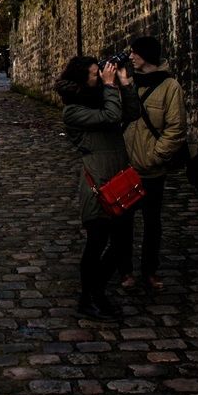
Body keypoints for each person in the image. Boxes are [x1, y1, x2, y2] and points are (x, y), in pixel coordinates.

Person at [56, 55, 139, 319]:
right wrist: (111, 86)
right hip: (98, 182)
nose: (99, 76)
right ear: (83, 78)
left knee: (122, 243)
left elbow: (132, 113)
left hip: (119, 175)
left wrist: (124, 84)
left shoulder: (102, 96)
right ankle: (87, 297)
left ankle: (98, 290)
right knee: (97, 242)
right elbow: (111, 115)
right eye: (95, 74)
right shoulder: (73, 110)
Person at [118, 36, 186, 292]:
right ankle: (125, 270)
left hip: (152, 169)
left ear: (146, 55)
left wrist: (156, 155)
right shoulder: (129, 82)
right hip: (126, 168)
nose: (131, 57)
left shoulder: (170, 87)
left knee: (152, 224)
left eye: (135, 52)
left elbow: (176, 128)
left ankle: (150, 270)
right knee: (123, 223)